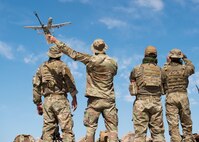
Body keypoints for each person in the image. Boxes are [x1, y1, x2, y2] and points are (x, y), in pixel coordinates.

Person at [46, 34, 119, 142]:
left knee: (90, 129)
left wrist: (55, 40)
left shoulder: (90, 59)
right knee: (113, 130)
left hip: (94, 100)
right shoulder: (113, 63)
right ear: (104, 48)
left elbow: (72, 54)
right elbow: (114, 73)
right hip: (109, 100)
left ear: (94, 49)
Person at [32, 45, 78, 142]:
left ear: (49, 55)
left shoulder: (41, 67)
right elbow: (70, 82)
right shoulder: (63, 66)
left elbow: (36, 85)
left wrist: (38, 103)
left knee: (47, 131)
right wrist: (74, 98)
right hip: (61, 100)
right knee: (67, 130)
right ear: (59, 55)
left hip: (47, 102)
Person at [129, 46, 165, 142]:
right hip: (156, 103)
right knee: (158, 134)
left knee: (140, 135)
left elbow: (132, 81)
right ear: (156, 55)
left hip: (141, 103)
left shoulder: (137, 69)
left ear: (145, 55)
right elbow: (165, 86)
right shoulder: (161, 70)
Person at [162, 48, 195, 142]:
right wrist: (185, 58)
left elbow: (161, 82)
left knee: (173, 125)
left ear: (170, 57)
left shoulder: (165, 70)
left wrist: (167, 63)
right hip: (183, 96)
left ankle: (176, 140)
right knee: (186, 122)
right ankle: (188, 139)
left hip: (171, 97)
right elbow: (192, 67)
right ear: (180, 57)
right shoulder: (185, 68)